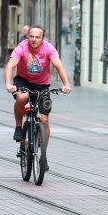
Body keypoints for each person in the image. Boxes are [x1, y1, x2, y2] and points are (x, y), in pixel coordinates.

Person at [4, 25, 71, 154]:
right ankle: (18, 127)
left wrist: (66, 84)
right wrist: (8, 84)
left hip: (42, 84)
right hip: (23, 80)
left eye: (37, 37)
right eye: (31, 36)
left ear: (42, 39)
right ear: (28, 37)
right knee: (22, 97)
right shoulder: (22, 47)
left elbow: (58, 65)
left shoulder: (48, 48)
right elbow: (10, 66)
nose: (34, 39)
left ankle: (42, 155)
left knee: (44, 120)